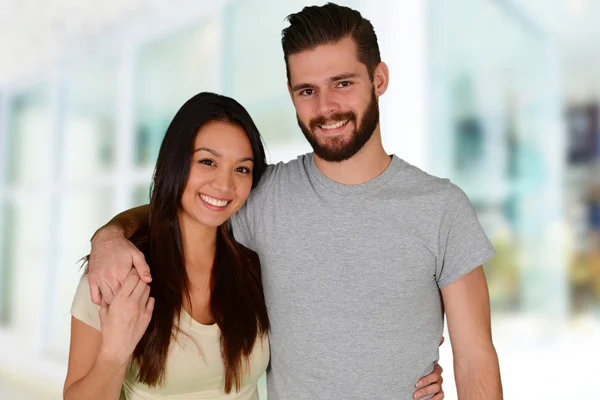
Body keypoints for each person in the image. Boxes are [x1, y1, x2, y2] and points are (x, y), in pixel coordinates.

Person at [87, 3, 502, 400]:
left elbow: (474, 357)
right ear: (291, 94)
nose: (326, 107)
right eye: (308, 90)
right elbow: (184, 211)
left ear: (378, 80)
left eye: (343, 83)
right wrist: (108, 238)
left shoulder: (441, 207)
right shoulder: (262, 195)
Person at [64, 92, 271, 399]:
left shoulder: (255, 266)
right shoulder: (117, 275)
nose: (225, 185)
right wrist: (114, 353)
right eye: (207, 161)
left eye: (241, 168)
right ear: (175, 164)